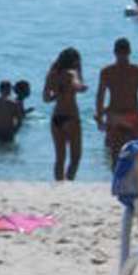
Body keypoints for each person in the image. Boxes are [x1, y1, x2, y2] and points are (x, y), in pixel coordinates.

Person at [95, 37, 138, 162]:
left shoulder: (107, 72)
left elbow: (100, 97)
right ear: (130, 51)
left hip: (114, 116)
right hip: (133, 116)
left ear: (114, 52)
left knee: (115, 157)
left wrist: (100, 118)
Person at [43, 47, 86, 181]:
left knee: (59, 158)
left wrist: (58, 95)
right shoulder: (72, 73)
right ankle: (69, 181)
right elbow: (77, 85)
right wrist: (81, 86)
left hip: (56, 117)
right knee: (76, 157)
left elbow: (46, 98)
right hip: (71, 116)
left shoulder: (51, 75)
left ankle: (59, 184)